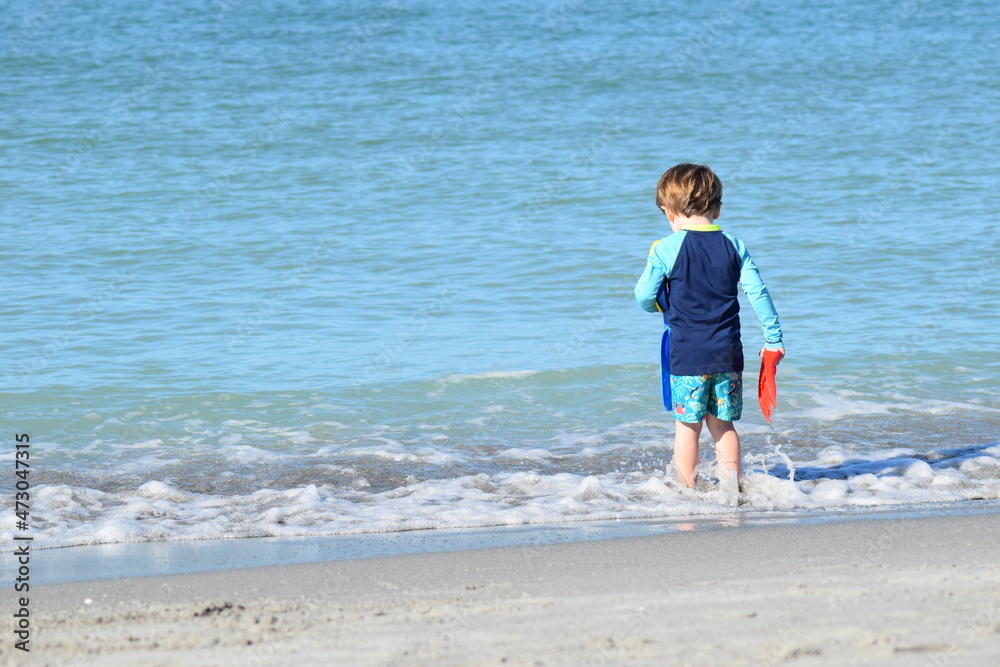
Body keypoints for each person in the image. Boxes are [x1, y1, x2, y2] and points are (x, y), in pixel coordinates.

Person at [633, 163, 784, 490]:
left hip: (688, 354)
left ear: (668, 211)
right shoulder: (734, 245)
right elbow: (758, 293)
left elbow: (643, 295)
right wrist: (774, 340)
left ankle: (686, 493)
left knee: (687, 427)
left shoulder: (665, 248)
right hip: (728, 355)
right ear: (716, 207)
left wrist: (658, 304)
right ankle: (731, 490)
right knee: (723, 425)